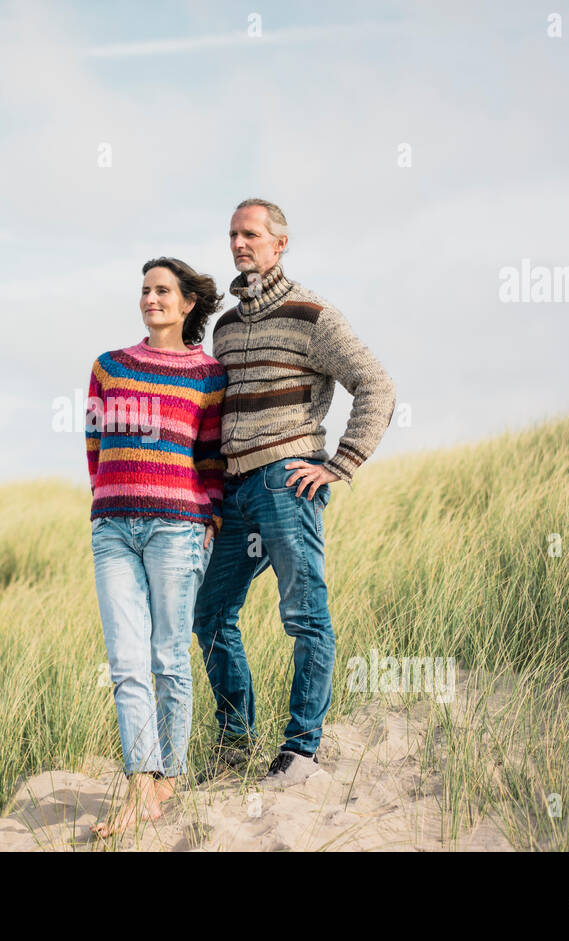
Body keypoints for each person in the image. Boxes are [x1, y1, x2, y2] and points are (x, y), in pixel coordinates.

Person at [194, 198, 397, 789]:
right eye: (233, 233)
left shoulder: (313, 315)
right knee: (210, 613)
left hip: (288, 480)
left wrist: (342, 463)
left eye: (251, 234)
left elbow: (376, 384)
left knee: (304, 615)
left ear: (280, 244)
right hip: (235, 493)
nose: (239, 243)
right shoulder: (226, 329)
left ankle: (301, 752)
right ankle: (235, 744)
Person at [85, 257, 227, 837]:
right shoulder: (109, 367)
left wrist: (210, 516)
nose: (151, 299)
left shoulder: (208, 375)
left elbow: (212, 457)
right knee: (126, 661)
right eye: (145, 290)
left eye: (163, 290)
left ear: (188, 302)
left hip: (178, 528)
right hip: (114, 529)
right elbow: (94, 444)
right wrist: (107, 498)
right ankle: (141, 780)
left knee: (169, 657)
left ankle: (170, 778)